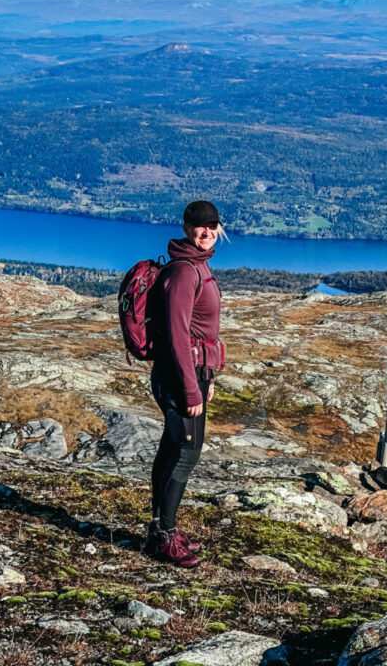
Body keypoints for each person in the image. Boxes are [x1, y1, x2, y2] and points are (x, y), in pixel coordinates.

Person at [146, 199, 225, 567]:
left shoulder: (198, 266)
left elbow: (200, 333)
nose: (206, 232)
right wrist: (191, 388)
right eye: (198, 226)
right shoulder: (183, 272)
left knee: (172, 450)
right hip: (179, 377)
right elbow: (179, 336)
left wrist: (206, 377)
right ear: (185, 228)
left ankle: (162, 530)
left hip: (191, 374)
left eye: (211, 225)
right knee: (185, 454)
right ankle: (165, 537)